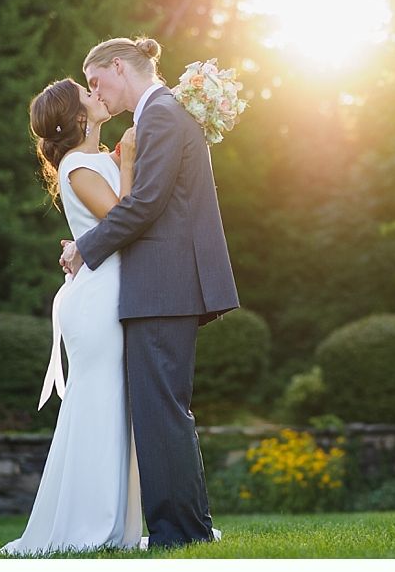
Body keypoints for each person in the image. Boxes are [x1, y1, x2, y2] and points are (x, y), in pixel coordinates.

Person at [59, 36, 239, 548]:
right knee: (166, 411)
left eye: (96, 81)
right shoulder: (165, 111)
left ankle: (177, 534)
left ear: (119, 67)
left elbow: (144, 205)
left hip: (162, 283)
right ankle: (189, 528)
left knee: (162, 413)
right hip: (165, 283)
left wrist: (83, 249)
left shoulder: (159, 113)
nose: (96, 93)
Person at [0, 79, 142, 555]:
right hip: (100, 300)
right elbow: (124, 218)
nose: (96, 94)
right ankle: (89, 525)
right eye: (87, 93)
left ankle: (117, 525)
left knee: (116, 403)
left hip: (114, 290)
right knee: (100, 402)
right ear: (78, 116)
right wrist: (128, 162)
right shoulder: (79, 165)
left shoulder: (95, 157)